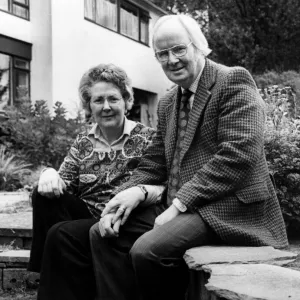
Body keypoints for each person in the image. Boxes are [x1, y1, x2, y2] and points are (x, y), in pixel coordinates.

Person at [89, 14, 289, 300]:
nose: (172, 60)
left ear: (198, 46)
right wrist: (128, 193)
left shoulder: (233, 80)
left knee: (148, 251)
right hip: (183, 205)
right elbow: (155, 160)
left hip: (228, 207)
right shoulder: (169, 100)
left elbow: (238, 154)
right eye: (162, 54)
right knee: (102, 232)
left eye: (179, 49)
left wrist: (180, 204)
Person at [28, 63, 163, 300]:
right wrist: (49, 172)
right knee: (43, 195)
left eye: (113, 99)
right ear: (89, 105)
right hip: (87, 215)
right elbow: (63, 184)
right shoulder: (84, 142)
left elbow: (162, 183)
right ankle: (46, 268)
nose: (106, 107)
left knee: (61, 233)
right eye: (98, 100)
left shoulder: (148, 138)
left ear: (126, 101)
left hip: (125, 219)